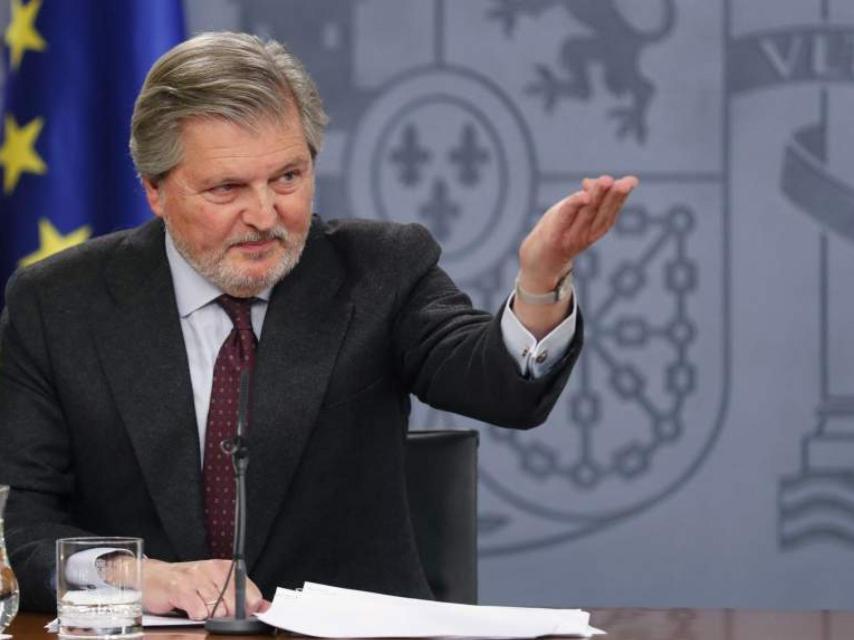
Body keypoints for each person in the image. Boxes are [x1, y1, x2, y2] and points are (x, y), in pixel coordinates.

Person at [0, 32, 637, 619]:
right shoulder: (57, 305)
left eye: (288, 177)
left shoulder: (382, 269)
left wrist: (540, 283)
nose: (264, 214)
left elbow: (498, 384)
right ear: (155, 191)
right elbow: (20, 525)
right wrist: (136, 576)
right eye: (227, 189)